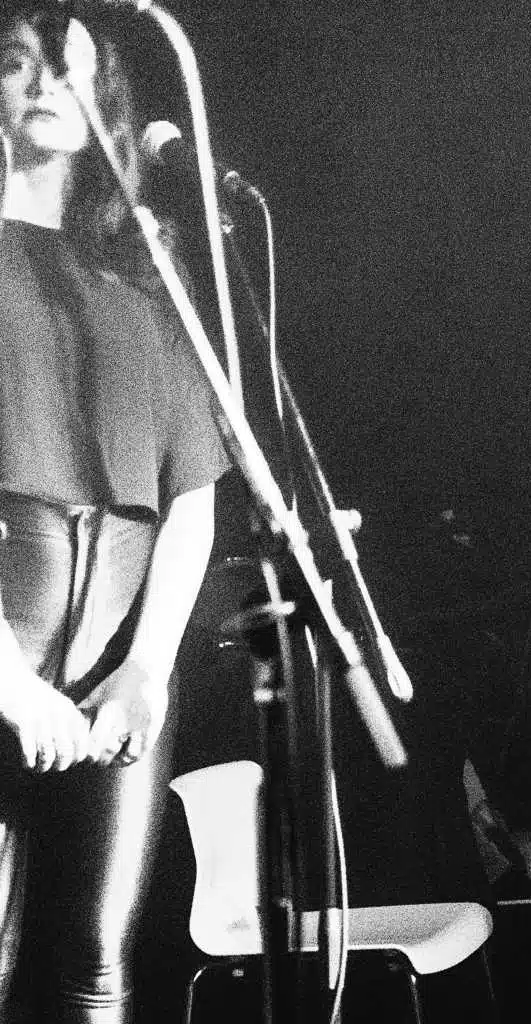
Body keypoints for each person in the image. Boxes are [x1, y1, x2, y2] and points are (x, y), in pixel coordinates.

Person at [0, 3, 228, 1021]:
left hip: (116, 672)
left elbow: (193, 496)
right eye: (19, 62)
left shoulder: (144, 271)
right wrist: (9, 682)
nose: (47, 82)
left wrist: (146, 669)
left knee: (95, 967)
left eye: (70, 67)